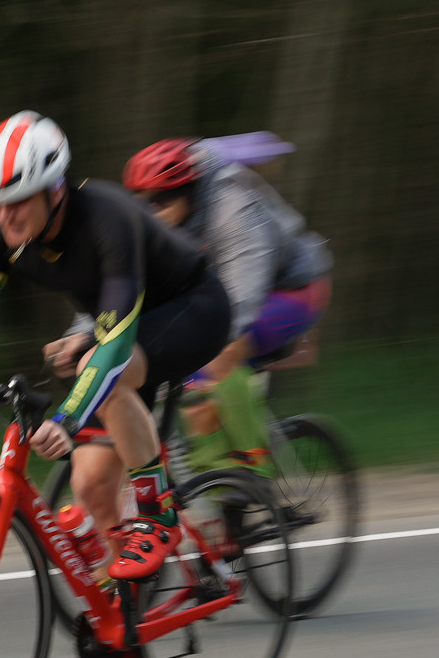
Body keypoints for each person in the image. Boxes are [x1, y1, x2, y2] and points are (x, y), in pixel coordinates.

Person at [0, 112, 232, 658]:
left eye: (16, 202)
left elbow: (116, 340)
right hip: (122, 331)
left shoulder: (108, 218)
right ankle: (120, 631)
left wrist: (69, 416)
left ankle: (159, 513)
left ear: (54, 190)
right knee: (92, 486)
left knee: (110, 377)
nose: (3, 216)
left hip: (192, 310)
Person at [121, 136, 331, 466]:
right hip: (227, 295)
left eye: (162, 199)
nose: (152, 211)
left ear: (189, 192)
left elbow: (244, 290)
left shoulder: (233, 208)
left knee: (217, 361)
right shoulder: (151, 225)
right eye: (142, 201)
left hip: (292, 291)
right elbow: (120, 282)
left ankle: (252, 472)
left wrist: (208, 345)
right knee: (189, 391)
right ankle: (217, 485)